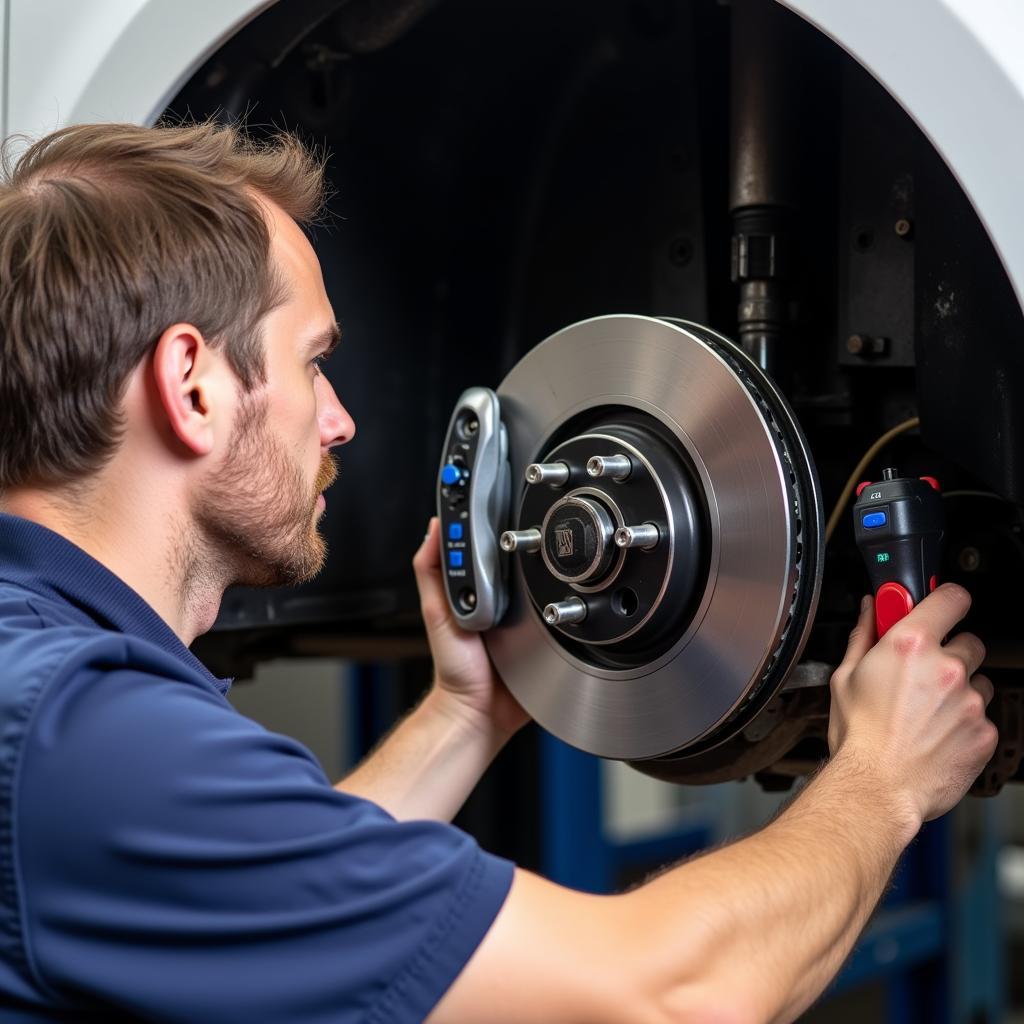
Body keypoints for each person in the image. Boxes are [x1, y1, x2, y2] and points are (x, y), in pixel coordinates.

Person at [0, 120, 996, 1024]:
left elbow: (271, 888)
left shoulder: (53, 697)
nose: (341, 419)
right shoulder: (87, 742)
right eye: (313, 362)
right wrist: (882, 777)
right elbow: (666, 997)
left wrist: (464, 712)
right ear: (192, 386)